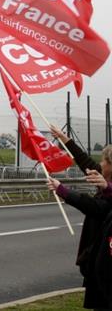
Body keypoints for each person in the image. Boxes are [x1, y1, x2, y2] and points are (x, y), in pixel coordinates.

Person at [47, 127, 112, 311]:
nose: (100, 165)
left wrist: (63, 191)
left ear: (110, 165)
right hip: (99, 261)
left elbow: (95, 208)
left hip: (105, 263)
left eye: (103, 161)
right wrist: (66, 141)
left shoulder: (108, 193)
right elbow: (86, 163)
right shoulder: (104, 182)